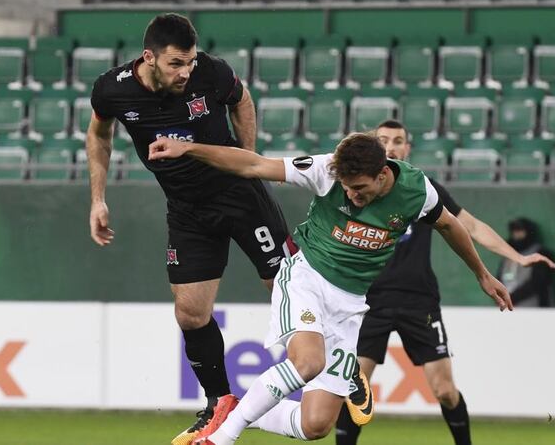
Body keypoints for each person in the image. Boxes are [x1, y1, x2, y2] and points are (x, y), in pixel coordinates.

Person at [146, 132, 514, 445]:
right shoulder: (326, 170)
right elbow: (254, 165)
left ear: (383, 173)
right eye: (347, 188)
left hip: (350, 305)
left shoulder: (417, 190)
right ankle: (221, 438)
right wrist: (189, 149)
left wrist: (482, 274)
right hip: (306, 280)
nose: (352, 196)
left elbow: (450, 225)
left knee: (316, 425)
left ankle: (240, 410)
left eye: (360, 188)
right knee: (308, 362)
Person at [86, 13, 297, 445]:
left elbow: (242, 101)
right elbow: (99, 134)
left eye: (190, 62)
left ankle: (337, 369)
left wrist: (250, 162)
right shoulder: (112, 89)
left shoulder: (211, 73)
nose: (186, 71)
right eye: (176, 63)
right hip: (187, 210)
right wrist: (98, 199)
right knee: (190, 312)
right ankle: (219, 403)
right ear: (149, 57)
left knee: (286, 286)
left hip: (239, 195)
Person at [335, 120, 555, 445]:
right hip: (369, 301)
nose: (390, 147)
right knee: (354, 390)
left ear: (407, 148)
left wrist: (519, 258)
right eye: (383, 140)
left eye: (398, 141)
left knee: (444, 391)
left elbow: (471, 227)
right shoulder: (354, 189)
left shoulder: (423, 188)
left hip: (419, 301)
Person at [496, 218, 555, 307]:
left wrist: (511, 298)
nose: (517, 234)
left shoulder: (540, 254)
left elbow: (537, 283)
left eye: (520, 230)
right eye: (514, 231)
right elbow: (499, 279)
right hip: (509, 308)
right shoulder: (508, 255)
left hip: (534, 309)